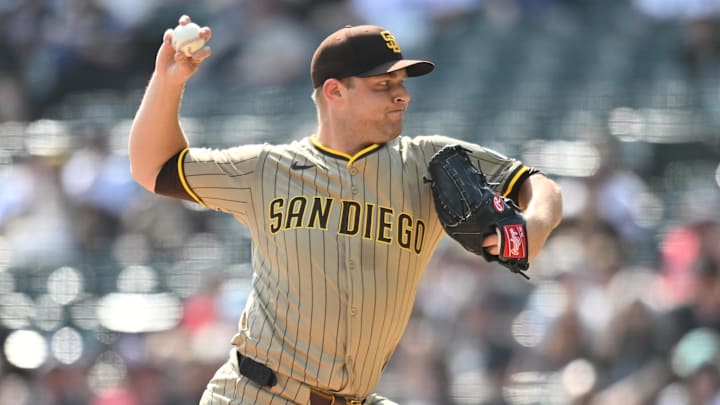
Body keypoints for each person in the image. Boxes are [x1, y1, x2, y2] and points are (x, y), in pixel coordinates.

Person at [128, 15, 563, 405]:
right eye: (384, 85)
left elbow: (535, 184)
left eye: (402, 84)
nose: (402, 96)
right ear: (335, 91)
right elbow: (154, 167)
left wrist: (535, 225)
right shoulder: (266, 169)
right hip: (257, 394)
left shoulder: (429, 162)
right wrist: (169, 84)